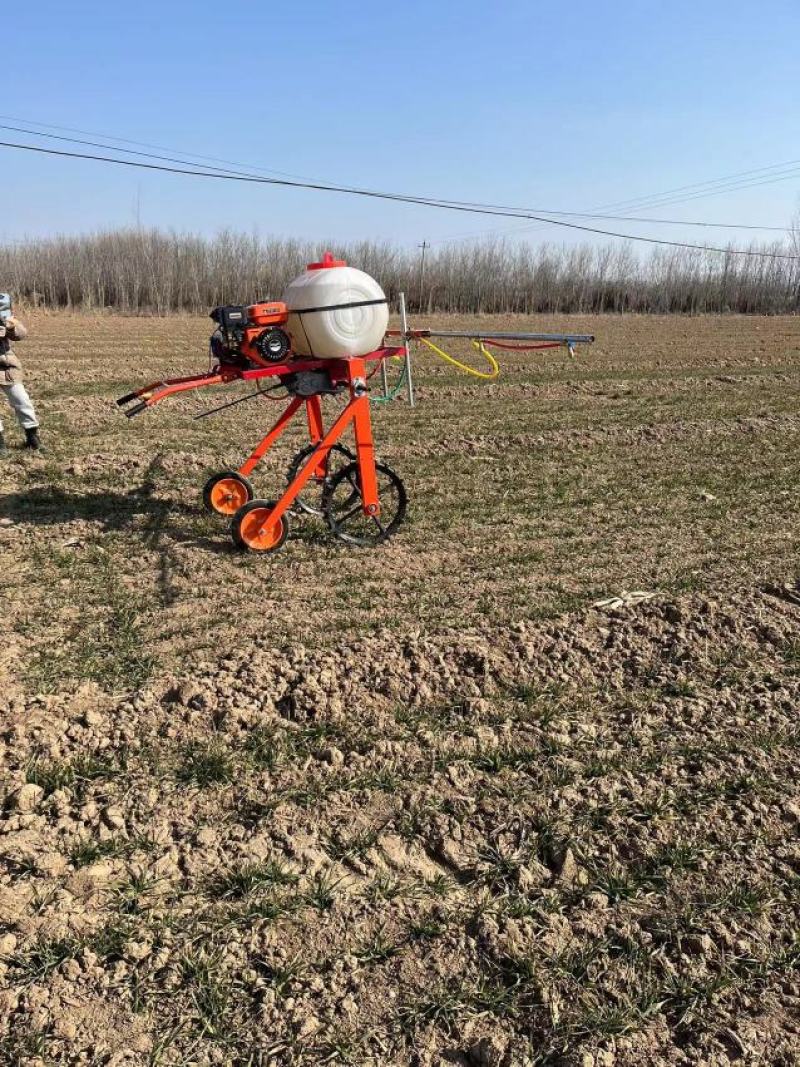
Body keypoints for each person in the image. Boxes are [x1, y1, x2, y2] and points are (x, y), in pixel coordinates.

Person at [0, 293, 42, 452]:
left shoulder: (4, 310)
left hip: (7, 367)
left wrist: (10, 326)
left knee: (22, 401)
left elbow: (22, 334)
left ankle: (32, 437)